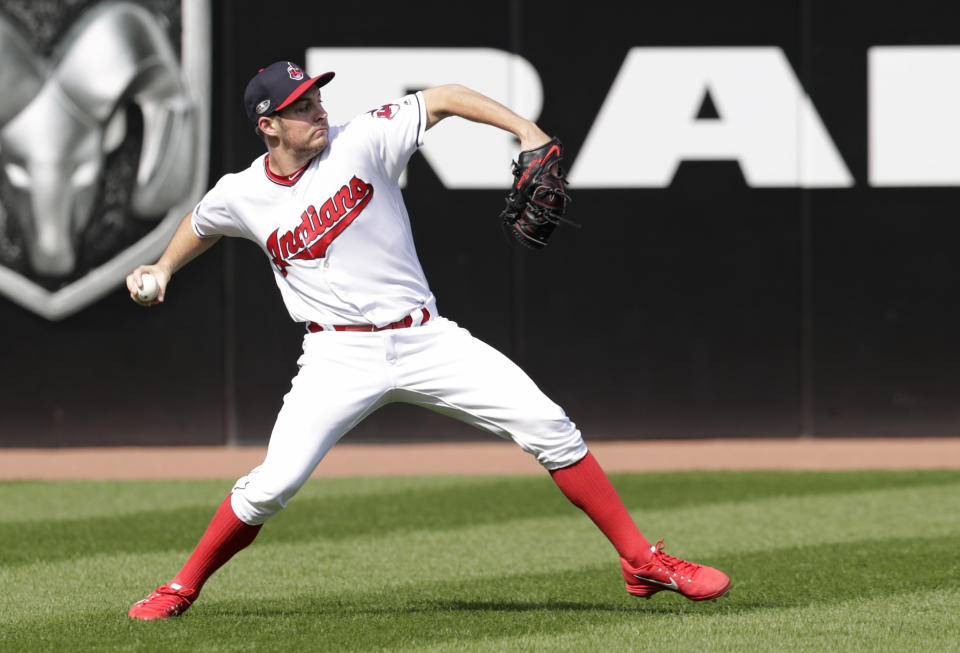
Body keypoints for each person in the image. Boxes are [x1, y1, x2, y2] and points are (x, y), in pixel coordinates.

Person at [125, 60, 730, 620]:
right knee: (271, 486)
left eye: (315, 97)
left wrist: (528, 132)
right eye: (300, 106)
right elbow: (201, 222)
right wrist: (163, 268)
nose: (317, 111)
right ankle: (181, 587)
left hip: (426, 339)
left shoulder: (361, 140)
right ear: (268, 125)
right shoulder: (242, 192)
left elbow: (444, 98)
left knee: (550, 427)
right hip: (337, 356)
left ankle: (641, 562)